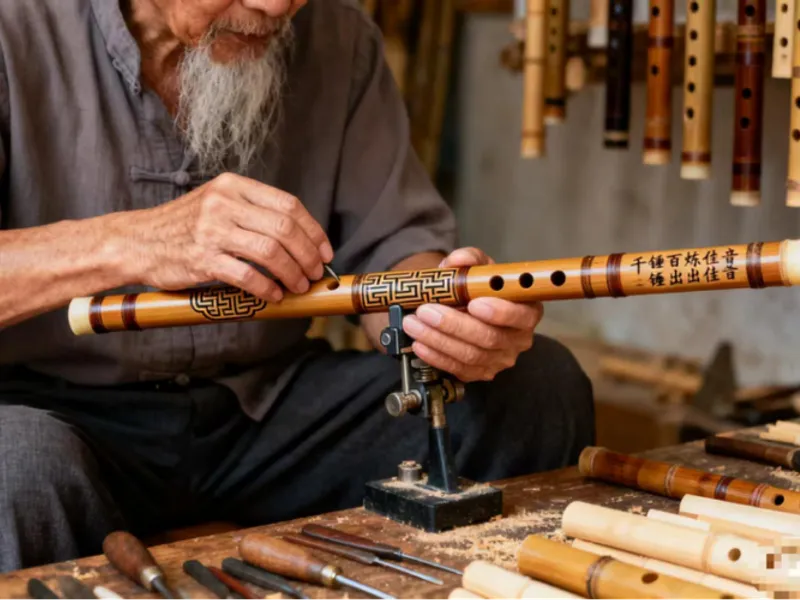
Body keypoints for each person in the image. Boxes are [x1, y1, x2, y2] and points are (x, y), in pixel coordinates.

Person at [0, 0, 594, 572]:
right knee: (14, 462)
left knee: (535, 386)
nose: (277, 6)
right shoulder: (13, 28)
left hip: (267, 409)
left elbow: (394, 254)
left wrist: (436, 316)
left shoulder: (340, 39)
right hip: (53, 408)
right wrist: (129, 242)